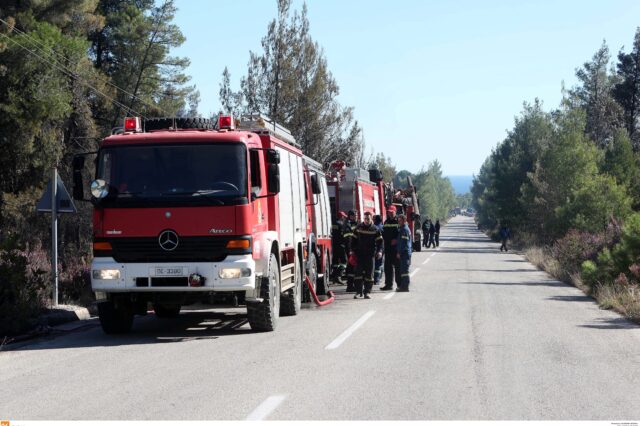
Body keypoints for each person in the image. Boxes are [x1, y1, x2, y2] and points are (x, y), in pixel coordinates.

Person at [350, 211, 383, 299]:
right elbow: (353, 240)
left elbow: (380, 242)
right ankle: (358, 291)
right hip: (359, 255)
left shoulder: (375, 229)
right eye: (365, 219)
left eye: (368, 219)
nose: (366, 220)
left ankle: (367, 292)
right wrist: (352, 251)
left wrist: (379, 251)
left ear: (371, 219)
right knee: (358, 274)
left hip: (370, 255)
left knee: (369, 274)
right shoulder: (358, 228)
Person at [380, 205, 400, 291]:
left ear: (395, 212)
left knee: (398, 267)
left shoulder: (399, 221)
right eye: (389, 212)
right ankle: (388, 285)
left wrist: (397, 240)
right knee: (387, 267)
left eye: (392, 212)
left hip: (396, 248)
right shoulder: (386, 222)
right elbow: (384, 234)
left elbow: (402, 233)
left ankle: (399, 284)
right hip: (387, 248)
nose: (390, 214)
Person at [343, 210, 359, 292]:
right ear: (350, 216)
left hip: (356, 249)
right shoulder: (348, 225)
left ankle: (354, 285)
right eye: (354, 215)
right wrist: (350, 251)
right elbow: (348, 239)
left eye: (356, 215)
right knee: (351, 268)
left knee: (354, 267)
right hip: (351, 250)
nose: (356, 216)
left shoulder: (357, 224)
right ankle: (350, 286)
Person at [396, 214, 412, 292]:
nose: (399, 222)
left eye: (400, 220)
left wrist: (399, 252)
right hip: (404, 253)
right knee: (403, 270)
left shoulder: (404, 230)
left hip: (404, 253)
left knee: (405, 271)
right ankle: (404, 286)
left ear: (404, 220)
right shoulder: (402, 229)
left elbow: (404, 243)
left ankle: (405, 287)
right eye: (398, 221)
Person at [331, 211, 348, 283]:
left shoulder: (333, 224)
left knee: (335, 262)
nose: (344, 218)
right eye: (344, 217)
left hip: (334, 245)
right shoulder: (342, 224)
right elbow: (343, 235)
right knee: (344, 262)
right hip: (341, 245)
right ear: (342, 217)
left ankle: (334, 276)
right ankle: (338, 275)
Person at [373, 214, 384, 285]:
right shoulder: (383, 227)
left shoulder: (373, 227)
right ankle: (377, 279)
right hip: (380, 248)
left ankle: (373, 278)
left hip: (373, 248)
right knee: (378, 264)